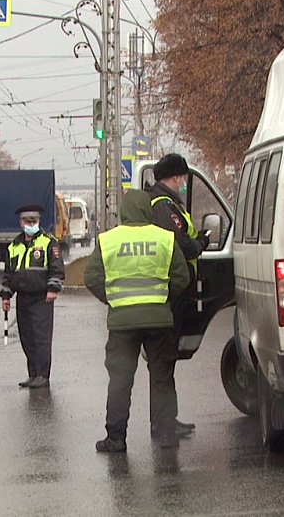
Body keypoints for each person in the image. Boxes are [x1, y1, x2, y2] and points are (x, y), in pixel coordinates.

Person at [85, 190, 190, 452]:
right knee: (162, 376)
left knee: (120, 380)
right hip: (158, 320)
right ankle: (166, 434)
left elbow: (92, 277)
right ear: (148, 212)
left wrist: (113, 299)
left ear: (123, 212)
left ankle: (116, 438)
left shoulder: (108, 240)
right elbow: (182, 277)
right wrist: (162, 298)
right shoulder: (164, 238)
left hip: (122, 324)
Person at [146, 153, 210, 437]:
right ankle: (163, 424)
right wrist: (200, 243)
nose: (184, 183)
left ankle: (167, 419)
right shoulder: (163, 206)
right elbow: (180, 243)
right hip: (169, 293)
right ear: (173, 178)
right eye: (182, 178)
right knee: (163, 360)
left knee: (167, 359)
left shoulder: (166, 203)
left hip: (172, 291)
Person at [0, 204, 65, 389]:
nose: (31, 224)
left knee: (41, 338)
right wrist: (6, 296)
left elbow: (57, 268)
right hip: (23, 298)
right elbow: (9, 274)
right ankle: (33, 374)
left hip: (42, 298)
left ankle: (43, 375)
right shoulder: (14, 246)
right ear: (21, 223)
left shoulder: (48, 242)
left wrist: (53, 289)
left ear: (39, 222)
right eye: (27, 221)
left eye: (34, 221)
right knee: (27, 337)